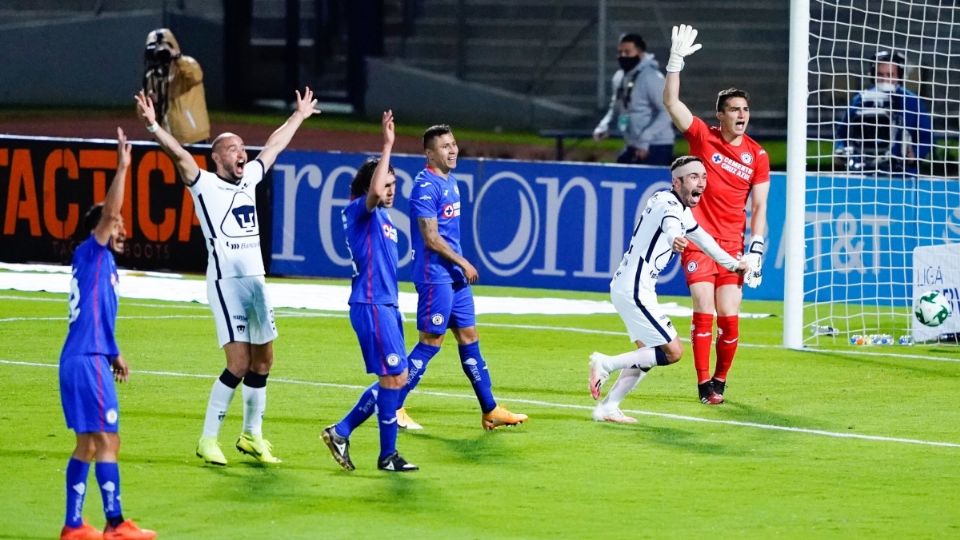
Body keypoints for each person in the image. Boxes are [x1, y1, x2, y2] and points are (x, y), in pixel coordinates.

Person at [135, 87, 320, 465]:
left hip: (256, 282)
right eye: (233, 148)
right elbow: (179, 155)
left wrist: (298, 115)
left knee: (264, 362)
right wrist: (153, 125)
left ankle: (252, 436)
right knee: (238, 363)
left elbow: (273, 147)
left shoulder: (250, 178)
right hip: (226, 285)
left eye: (241, 148)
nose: (242, 153)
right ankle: (207, 439)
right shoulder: (203, 184)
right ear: (217, 157)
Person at [589, 156, 748, 422]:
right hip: (634, 288)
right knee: (673, 351)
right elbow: (671, 224)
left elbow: (705, 240)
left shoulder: (677, 207)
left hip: (631, 286)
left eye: (703, 176)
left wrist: (733, 265)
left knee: (646, 354)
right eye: (694, 177)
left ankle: (608, 407)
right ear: (677, 181)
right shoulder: (669, 205)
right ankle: (605, 363)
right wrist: (675, 238)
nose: (701, 182)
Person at [391, 124, 528, 431]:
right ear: (429, 153)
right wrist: (463, 262)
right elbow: (430, 238)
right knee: (431, 341)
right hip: (434, 275)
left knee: (469, 338)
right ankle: (394, 406)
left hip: (454, 277)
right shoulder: (425, 187)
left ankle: (490, 409)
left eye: (453, 144)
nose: (452, 150)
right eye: (444, 146)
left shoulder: (451, 182)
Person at [58, 128, 157, 540]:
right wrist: (122, 166)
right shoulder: (93, 251)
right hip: (87, 361)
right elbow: (110, 213)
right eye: (114, 223)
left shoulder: (98, 265)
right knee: (108, 438)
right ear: (99, 227)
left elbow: (97, 316)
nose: (120, 228)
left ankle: (74, 525)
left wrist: (114, 352)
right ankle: (116, 524)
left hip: (84, 357)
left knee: (88, 443)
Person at [662, 24, 767, 405]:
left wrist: (755, 249)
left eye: (745, 109)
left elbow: (759, 207)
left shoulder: (758, 155)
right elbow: (672, 104)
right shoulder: (703, 138)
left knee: (729, 316)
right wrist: (675, 63)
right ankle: (704, 384)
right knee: (703, 307)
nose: (742, 115)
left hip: (732, 245)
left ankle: (721, 380)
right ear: (719, 115)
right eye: (734, 110)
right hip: (697, 241)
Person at [320, 110, 418, 473]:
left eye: (395, 185)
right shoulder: (358, 212)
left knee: (398, 379)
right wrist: (387, 145)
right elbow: (374, 191)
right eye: (387, 185)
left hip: (386, 306)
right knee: (393, 379)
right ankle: (385, 455)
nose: (391, 191)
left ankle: (343, 432)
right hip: (371, 305)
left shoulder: (385, 221)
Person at [834, 49, 933, 174]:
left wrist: (915, 154)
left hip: (901, 172)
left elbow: (926, 138)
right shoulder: (860, 99)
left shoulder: (912, 102)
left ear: (900, 76)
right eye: (880, 74)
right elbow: (842, 134)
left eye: (890, 75)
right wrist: (841, 150)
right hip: (863, 169)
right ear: (872, 75)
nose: (884, 79)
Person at [592, 33, 675, 166]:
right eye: (620, 52)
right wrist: (604, 124)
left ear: (640, 53)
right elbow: (616, 105)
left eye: (627, 52)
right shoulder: (620, 77)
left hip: (657, 145)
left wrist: (646, 139)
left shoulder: (652, 77)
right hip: (633, 144)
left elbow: (668, 112)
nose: (623, 56)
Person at [142, 28, 210, 145]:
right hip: (166, 139)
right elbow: (144, 113)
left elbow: (196, 76)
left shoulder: (185, 67)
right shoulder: (152, 77)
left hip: (192, 138)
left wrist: (176, 57)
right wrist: (150, 104)